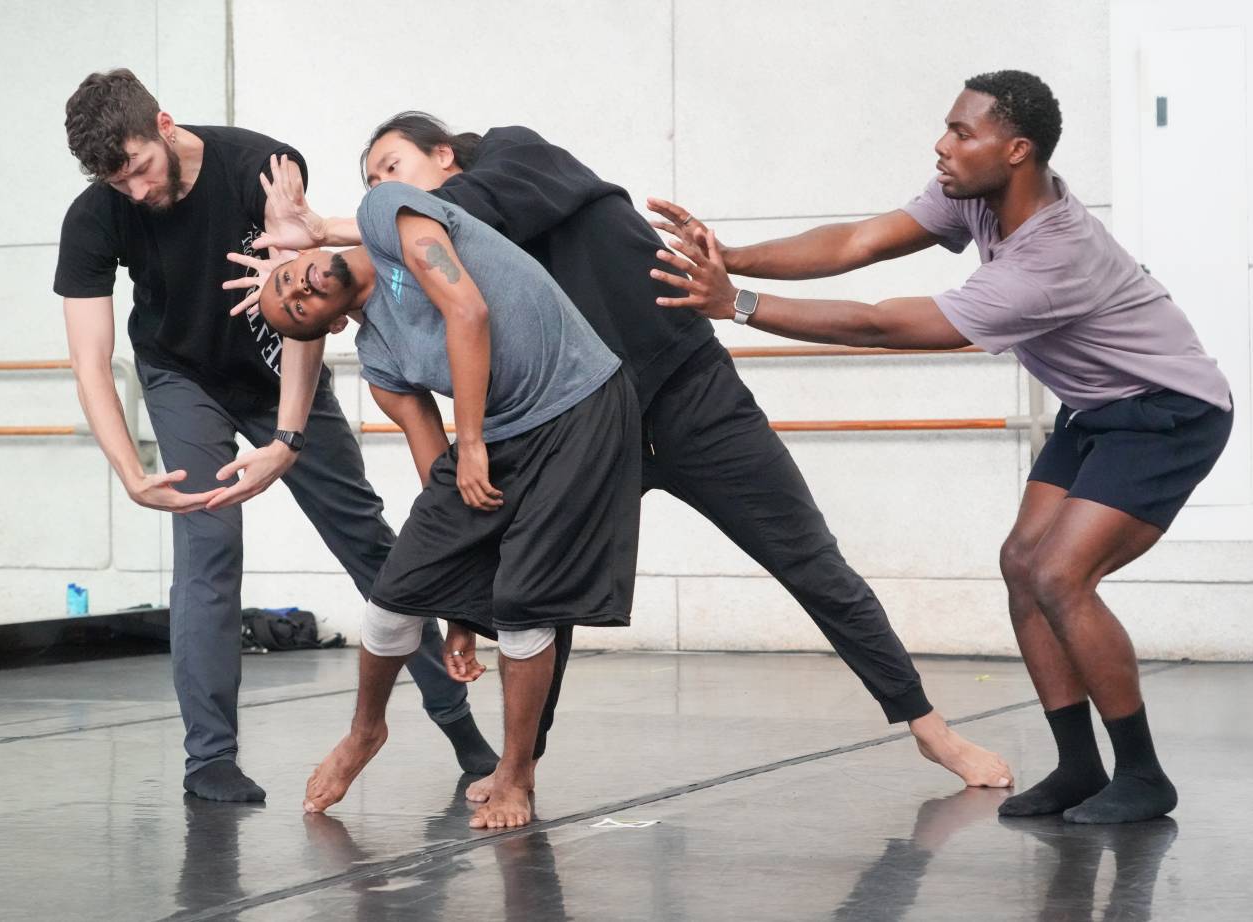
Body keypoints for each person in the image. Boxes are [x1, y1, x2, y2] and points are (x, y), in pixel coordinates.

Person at [246, 113, 1013, 803]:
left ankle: (929, 727)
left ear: (443, 154)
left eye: (390, 167)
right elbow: (376, 333)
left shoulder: (516, 156)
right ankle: (520, 767)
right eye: (372, 183)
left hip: (688, 394)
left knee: (808, 559)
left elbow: (464, 210)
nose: (382, 188)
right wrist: (308, 285)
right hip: (575, 422)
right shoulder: (428, 266)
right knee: (537, 598)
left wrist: (332, 226)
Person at [651, 70, 1232, 824]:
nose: (942, 145)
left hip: (1169, 409)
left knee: (1060, 575)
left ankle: (1144, 774)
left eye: (963, 132)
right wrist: (733, 255)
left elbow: (881, 325)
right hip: (1097, 406)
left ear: (1016, 150)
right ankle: (1080, 767)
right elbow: (857, 242)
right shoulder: (979, 197)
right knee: (1022, 564)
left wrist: (740, 304)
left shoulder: (1053, 255)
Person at [52, 69, 494, 804]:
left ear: (164, 124)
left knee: (367, 541)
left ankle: (460, 727)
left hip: (276, 370)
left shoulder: (259, 167)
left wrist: (288, 435)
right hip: (182, 375)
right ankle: (210, 760)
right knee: (207, 545)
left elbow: (305, 306)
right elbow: (90, 358)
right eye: (115, 181)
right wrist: (129, 471)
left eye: (139, 168)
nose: (135, 190)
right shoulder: (97, 215)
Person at [244, 179, 640, 828]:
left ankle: (517, 774)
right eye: (296, 309)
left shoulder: (384, 214)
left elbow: (468, 311)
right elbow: (438, 472)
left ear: (302, 258)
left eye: (288, 280)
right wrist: (457, 601)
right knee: (397, 593)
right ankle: (365, 731)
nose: (297, 291)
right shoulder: (381, 362)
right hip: (500, 433)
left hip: (580, 406)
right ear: (331, 325)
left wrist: (473, 440)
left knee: (526, 602)